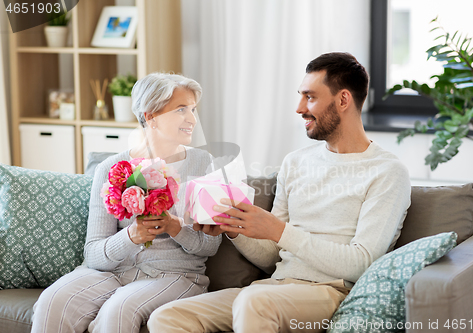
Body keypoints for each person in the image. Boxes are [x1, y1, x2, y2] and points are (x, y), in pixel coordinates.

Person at [147, 52, 412, 333]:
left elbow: (362, 263)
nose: (299, 108)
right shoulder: (295, 161)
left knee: (254, 301)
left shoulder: (387, 171)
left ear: (343, 100)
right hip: (273, 289)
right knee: (167, 316)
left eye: (310, 97)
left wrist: (279, 231)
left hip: (331, 293)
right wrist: (235, 228)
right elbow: (273, 256)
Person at [31, 73, 222, 333]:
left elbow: (209, 245)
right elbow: (94, 254)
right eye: (181, 110)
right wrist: (131, 236)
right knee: (53, 301)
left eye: (192, 109)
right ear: (151, 115)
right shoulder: (111, 168)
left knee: (119, 310)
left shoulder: (204, 165)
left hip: (175, 275)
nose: (192, 119)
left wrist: (175, 227)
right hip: (112, 273)